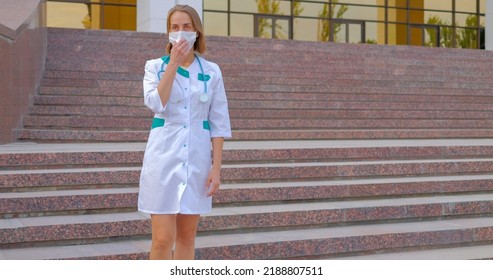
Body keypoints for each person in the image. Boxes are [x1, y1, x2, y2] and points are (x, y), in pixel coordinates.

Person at [138, 4, 232, 260]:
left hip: (197, 161)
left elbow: (219, 122)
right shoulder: (154, 66)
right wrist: (173, 65)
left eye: (186, 27)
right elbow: (156, 103)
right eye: (175, 27)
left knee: (187, 237)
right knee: (162, 239)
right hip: (163, 159)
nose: (181, 32)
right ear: (168, 32)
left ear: (197, 32)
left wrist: (216, 168)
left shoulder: (212, 71)